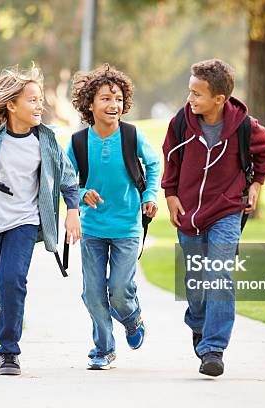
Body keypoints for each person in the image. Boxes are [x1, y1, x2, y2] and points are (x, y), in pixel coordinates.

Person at [0, 64, 82, 376]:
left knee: (12, 279)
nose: (40, 106)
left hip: (24, 221)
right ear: (11, 105)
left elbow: (68, 178)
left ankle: (9, 352)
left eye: (40, 100)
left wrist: (72, 210)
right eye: (32, 100)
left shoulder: (45, 141)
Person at [162, 59, 265, 377]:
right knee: (196, 285)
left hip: (227, 209)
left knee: (219, 275)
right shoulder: (181, 123)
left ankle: (213, 348)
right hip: (188, 214)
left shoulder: (243, 126)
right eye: (190, 92)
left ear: (219, 99)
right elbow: (170, 157)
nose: (191, 99)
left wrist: (255, 185)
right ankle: (199, 323)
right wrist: (170, 196)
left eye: (197, 94)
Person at [68, 64, 160, 370]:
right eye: (106, 98)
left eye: (118, 99)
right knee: (93, 294)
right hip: (93, 228)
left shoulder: (132, 136)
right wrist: (81, 195)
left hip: (127, 227)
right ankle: (104, 349)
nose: (113, 105)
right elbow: (66, 180)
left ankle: (132, 318)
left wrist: (149, 197)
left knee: (119, 290)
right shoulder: (78, 142)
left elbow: (154, 165)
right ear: (90, 104)